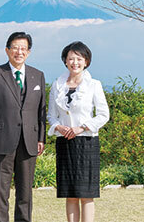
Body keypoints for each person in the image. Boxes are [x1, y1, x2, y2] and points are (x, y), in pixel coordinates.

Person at [0, 31, 47, 222]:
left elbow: (41, 110)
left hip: (29, 140)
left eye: (23, 48)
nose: (19, 52)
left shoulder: (38, 76)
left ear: (29, 52)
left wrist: (41, 138)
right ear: (7, 50)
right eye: (15, 48)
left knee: (25, 192)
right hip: (1, 140)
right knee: (1, 192)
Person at [47, 41, 110, 222]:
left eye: (79, 58)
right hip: (64, 142)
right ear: (65, 61)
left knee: (86, 193)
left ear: (86, 61)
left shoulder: (94, 85)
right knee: (70, 193)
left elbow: (104, 115)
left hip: (86, 142)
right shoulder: (57, 85)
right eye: (71, 58)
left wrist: (81, 127)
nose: (75, 62)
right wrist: (58, 127)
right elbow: (51, 115)